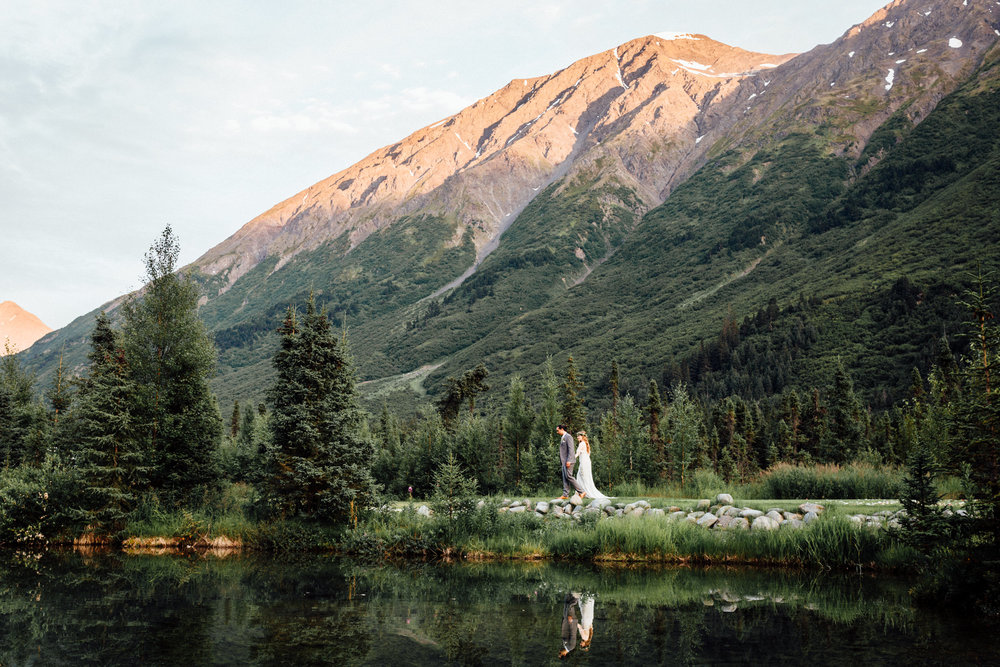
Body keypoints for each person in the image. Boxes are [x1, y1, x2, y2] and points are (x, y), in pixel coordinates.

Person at [575, 431, 609, 500]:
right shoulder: (586, 444)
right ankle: (582, 492)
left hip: (584, 463)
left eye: (579, 436)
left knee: (581, 477)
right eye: (577, 436)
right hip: (587, 462)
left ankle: (583, 493)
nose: (577, 437)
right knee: (584, 477)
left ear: (583, 436)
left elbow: (578, 453)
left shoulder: (581, 444)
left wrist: (571, 459)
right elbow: (588, 454)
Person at [557, 424, 586, 500]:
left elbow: (571, 449)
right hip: (564, 461)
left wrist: (569, 460)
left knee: (569, 476)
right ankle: (565, 494)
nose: (557, 432)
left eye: (558, 430)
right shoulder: (563, 437)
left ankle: (582, 491)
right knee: (565, 477)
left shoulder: (568, 437)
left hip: (569, 460)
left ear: (562, 429)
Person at [559, 593, 580, 658]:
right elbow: (573, 634)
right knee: (571, 605)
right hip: (570, 621)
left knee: (566, 604)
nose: (559, 651)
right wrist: (572, 622)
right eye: (560, 653)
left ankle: (568, 590)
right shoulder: (571, 647)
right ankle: (578, 592)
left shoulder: (565, 646)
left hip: (565, 620)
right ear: (564, 654)